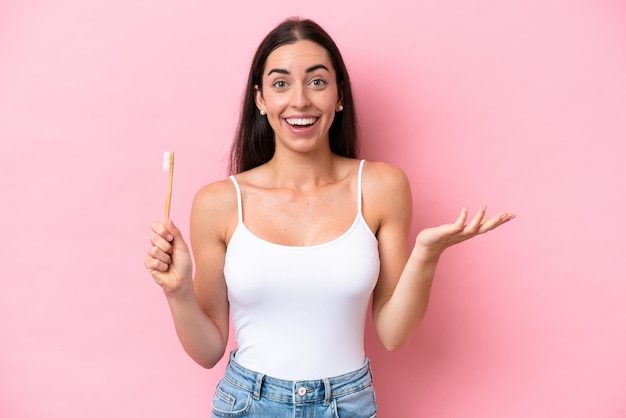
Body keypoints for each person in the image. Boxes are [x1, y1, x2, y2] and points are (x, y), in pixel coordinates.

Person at [144, 17, 514, 418]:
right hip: (247, 403)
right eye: (281, 83)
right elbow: (208, 350)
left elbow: (392, 333)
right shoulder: (219, 202)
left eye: (317, 82)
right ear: (260, 99)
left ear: (339, 95)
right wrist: (177, 290)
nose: (300, 100)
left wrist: (426, 254)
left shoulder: (380, 187)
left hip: (347, 403)